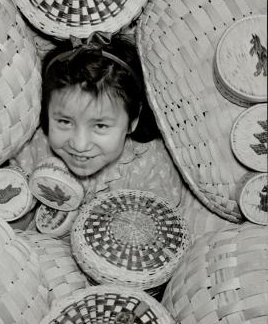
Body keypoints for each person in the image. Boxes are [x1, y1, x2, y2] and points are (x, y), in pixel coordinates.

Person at [10, 33, 183, 229]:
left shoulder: (150, 168)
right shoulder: (32, 149)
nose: (80, 144)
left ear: (132, 121)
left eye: (100, 126)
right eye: (65, 122)